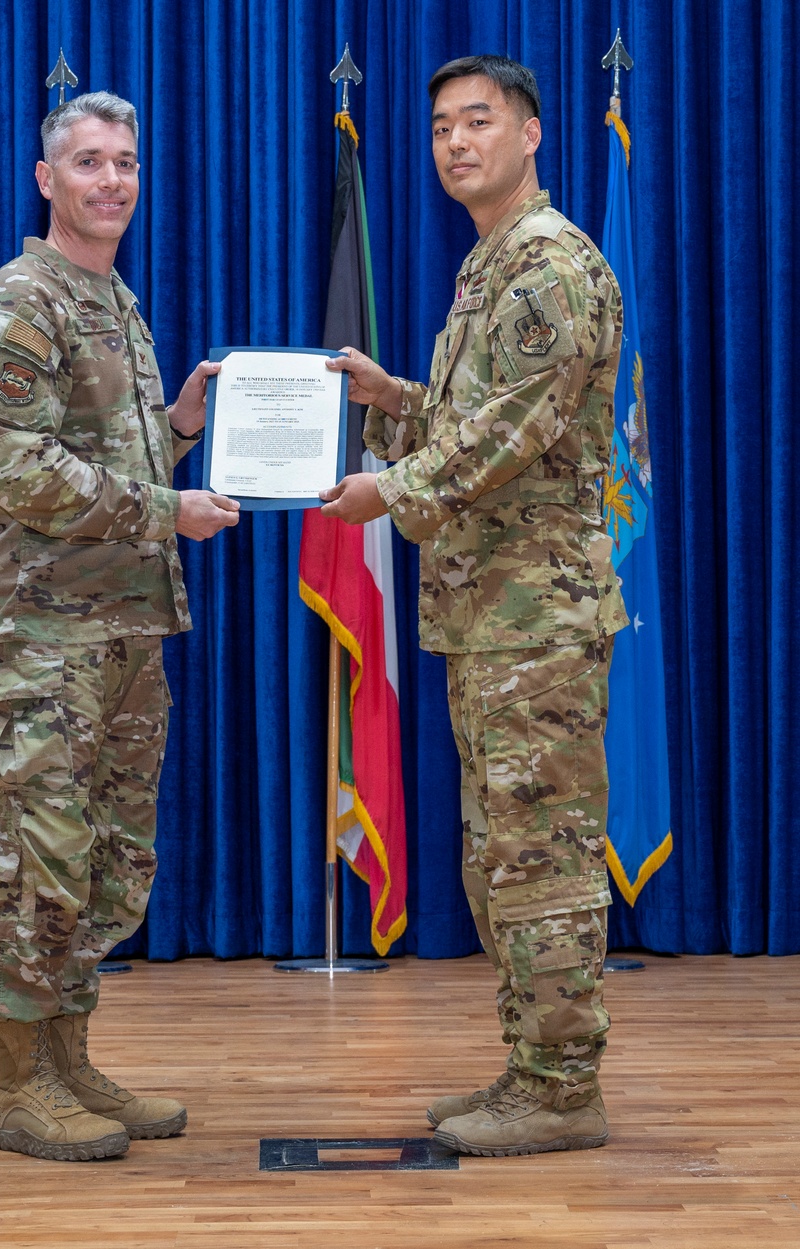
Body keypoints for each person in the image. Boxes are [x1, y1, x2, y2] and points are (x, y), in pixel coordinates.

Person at [322, 55, 628, 1156]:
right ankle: (533, 1069)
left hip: (534, 621)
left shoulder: (547, 267)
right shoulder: (488, 267)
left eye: (479, 122)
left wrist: (384, 489)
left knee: (538, 855)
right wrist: (391, 398)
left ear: (532, 133)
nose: (457, 143)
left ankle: (560, 1089)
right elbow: (475, 420)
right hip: (492, 614)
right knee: (501, 853)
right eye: (443, 125)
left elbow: (506, 438)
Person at [0, 91, 240, 1162]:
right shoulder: (21, 302)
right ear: (46, 180)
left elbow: (103, 469)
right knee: (38, 857)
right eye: (88, 162)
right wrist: (170, 505)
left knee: (109, 861)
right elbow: (18, 472)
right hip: (42, 637)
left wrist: (175, 433)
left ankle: (70, 1060)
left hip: (123, 633)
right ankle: (17, 1086)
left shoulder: (111, 298)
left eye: (125, 161)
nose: (111, 180)